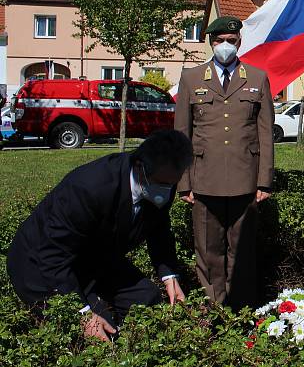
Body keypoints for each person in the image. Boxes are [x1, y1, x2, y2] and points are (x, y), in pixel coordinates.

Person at [6, 130, 193, 342]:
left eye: (171, 184)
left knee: (146, 298)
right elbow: (52, 256)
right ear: (140, 167)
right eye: (162, 183)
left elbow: (159, 228)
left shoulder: (163, 178)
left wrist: (169, 275)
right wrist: (83, 312)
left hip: (94, 256)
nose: (166, 191)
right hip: (41, 265)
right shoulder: (88, 187)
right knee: (97, 332)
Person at [174, 16, 275, 311]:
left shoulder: (257, 78)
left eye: (231, 41)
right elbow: (182, 134)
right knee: (208, 254)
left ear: (239, 42)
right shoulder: (192, 79)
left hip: (246, 181)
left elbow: (265, 133)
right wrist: (184, 183)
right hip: (204, 182)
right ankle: (213, 316)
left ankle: (241, 316)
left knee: (242, 255)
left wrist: (264, 181)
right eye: (219, 41)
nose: (225, 46)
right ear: (211, 43)